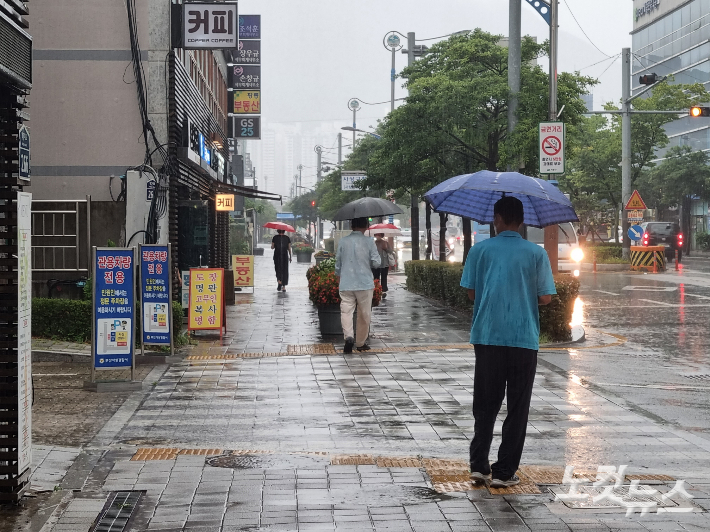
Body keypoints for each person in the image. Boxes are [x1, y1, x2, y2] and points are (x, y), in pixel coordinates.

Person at [460, 196, 556, 488]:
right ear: (522, 220)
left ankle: (478, 465)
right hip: (523, 339)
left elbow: (471, 294)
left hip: (488, 336)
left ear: (498, 219)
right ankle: (504, 472)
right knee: (518, 406)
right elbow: (546, 297)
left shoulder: (480, 251)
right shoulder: (535, 254)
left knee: (485, 404)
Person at [335, 217, 382, 354]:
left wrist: (338, 276)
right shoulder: (369, 242)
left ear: (351, 225)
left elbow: (338, 263)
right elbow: (376, 262)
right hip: (364, 283)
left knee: (346, 311)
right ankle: (360, 342)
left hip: (347, 282)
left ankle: (348, 336)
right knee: (364, 314)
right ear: (366, 226)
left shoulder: (343, 241)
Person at [372, 232, 391, 298]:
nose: (378, 236)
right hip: (375, 263)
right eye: (376, 235)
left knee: (384, 277)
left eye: (379, 235)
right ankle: (376, 290)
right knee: (376, 277)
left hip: (384, 263)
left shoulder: (385, 243)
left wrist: (386, 248)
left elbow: (390, 251)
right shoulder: (373, 243)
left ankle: (383, 291)